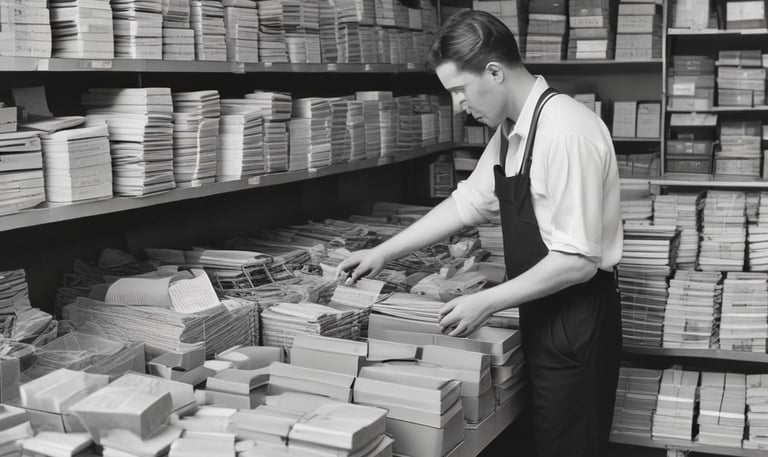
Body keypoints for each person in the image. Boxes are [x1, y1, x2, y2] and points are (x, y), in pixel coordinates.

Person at [337, 9, 623, 457]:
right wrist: (384, 252)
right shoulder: (514, 130)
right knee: (545, 437)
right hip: (540, 307)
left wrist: (484, 301)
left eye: (458, 90)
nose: (457, 106)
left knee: (569, 444)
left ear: (494, 72)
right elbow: (469, 202)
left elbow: (576, 261)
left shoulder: (565, 132)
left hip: (576, 318)